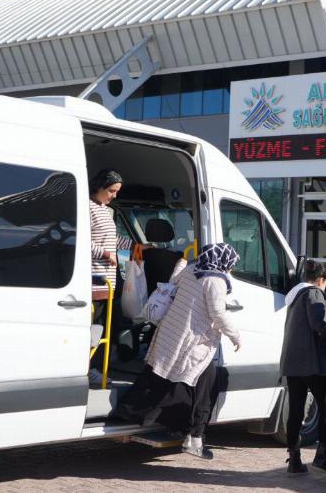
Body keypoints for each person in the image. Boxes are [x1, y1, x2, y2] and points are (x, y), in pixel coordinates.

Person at [116, 243, 242, 460]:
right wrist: (236, 336)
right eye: (230, 264)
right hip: (193, 342)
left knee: (161, 378)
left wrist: (183, 260)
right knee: (202, 386)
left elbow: (173, 281)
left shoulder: (192, 269)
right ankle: (194, 438)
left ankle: (134, 414)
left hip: (169, 334)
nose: (230, 268)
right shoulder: (216, 281)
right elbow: (218, 314)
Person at [280, 260, 326, 476]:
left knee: (295, 410)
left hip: (293, 362)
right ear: (322, 279)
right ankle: (322, 456)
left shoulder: (294, 296)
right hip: (314, 363)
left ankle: (294, 458)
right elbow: (319, 325)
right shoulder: (314, 293)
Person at [88, 168, 126, 384]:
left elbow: (112, 240)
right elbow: (83, 240)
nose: (114, 195)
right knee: (92, 330)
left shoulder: (105, 209)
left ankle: (94, 368)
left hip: (107, 283)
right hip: (94, 281)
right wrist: (105, 254)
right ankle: (88, 369)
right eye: (111, 190)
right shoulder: (88, 208)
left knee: (100, 329)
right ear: (99, 187)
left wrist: (139, 246)